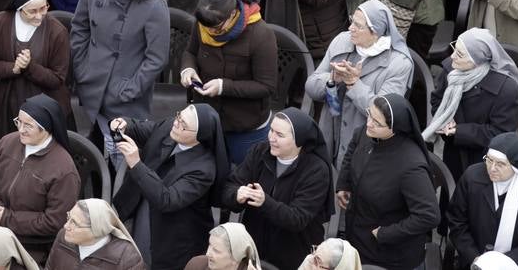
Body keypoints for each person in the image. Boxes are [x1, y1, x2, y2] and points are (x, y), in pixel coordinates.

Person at [69, 0, 170, 139]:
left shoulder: (154, 6)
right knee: (92, 146)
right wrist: (81, 67)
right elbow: (80, 27)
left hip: (125, 98)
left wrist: (129, 90)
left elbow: (156, 59)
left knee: (119, 157)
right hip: (91, 84)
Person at [109, 104, 227, 270]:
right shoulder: (170, 126)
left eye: (183, 125)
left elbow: (168, 200)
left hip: (173, 231)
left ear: (199, 137)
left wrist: (136, 163)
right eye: (179, 116)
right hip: (142, 205)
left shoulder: (204, 169)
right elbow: (139, 128)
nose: (176, 123)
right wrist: (122, 123)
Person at [336, 94, 440, 270]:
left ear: (395, 128)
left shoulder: (411, 166)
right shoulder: (366, 133)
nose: (369, 123)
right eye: (369, 114)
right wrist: (344, 184)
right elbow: (353, 149)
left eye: (377, 123)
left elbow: (428, 216)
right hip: (358, 236)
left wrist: (385, 233)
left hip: (387, 255)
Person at [181, 0, 278, 162]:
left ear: (233, 14)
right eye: (205, 27)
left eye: (216, 27)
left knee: (239, 182)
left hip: (244, 126)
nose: (210, 32)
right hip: (206, 119)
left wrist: (224, 86)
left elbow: (267, 86)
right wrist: (187, 70)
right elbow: (190, 52)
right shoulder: (204, 24)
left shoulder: (261, 34)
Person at [222, 112, 333, 270]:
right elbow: (229, 186)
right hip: (255, 248)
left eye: (279, 135)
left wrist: (264, 202)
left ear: (299, 140)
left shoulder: (316, 170)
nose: (271, 138)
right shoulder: (259, 152)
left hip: (293, 254)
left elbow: (297, 218)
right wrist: (236, 194)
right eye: (271, 130)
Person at [305, 0, 412, 162]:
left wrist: (354, 84)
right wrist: (332, 78)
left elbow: (386, 114)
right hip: (329, 132)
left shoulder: (399, 63)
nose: (350, 28)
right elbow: (311, 86)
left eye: (358, 26)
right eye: (351, 21)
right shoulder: (342, 40)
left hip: (367, 146)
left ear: (375, 32)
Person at [0, 94, 77, 255]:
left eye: (28, 126)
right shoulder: (7, 143)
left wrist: (6, 218)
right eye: (18, 122)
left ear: (46, 128)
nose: (20, 130)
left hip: (34, 245)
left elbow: (55, 221)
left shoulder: (63, 169)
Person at [423, 29, 518, 177]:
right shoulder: (453, 70)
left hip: (486, 161)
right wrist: (446, 119)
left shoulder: (505, 89)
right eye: (455, 49)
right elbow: (437, 99)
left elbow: (500, 133)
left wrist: (459, 131)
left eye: (460, 54)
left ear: (478, 60)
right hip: (454, 153)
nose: (452, 56)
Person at [447, 132, 518, 270]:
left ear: (516, 166)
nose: (492, 168)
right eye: (489, 160)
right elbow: (456, 221)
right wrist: (475, 257)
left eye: (501, 164)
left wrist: (504, 264)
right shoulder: (471, 177)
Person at [0, 0, 70, 139]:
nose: (39, 15)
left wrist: (29, 67)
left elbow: (58, 78)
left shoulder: (57, 32)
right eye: (32, 11)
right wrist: (12, 68)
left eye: (44, 8)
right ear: (19, 8)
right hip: (5, 103)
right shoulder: (0, 22)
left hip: (44, 105)